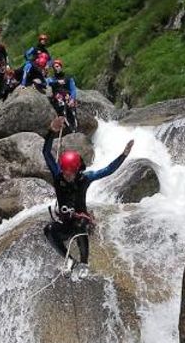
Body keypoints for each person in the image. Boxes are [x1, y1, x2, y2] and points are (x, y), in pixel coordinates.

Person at [42, 115, 133, 275]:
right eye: (64, 171)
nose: (66, 175)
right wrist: (51, 131)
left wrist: (123, 155)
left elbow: (108, 170)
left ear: (77, 170)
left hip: (81, 222)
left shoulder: (85, 178)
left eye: (70, 173)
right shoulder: (58, 174)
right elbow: (46, 153)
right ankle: (70, 260)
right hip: (65, 222)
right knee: (49, 230)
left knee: (79, 225)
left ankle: (84, 263)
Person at [47, 58, 79, 132]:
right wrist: (57, 82)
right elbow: (46, 82)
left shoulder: (68, 78)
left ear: (61, 67)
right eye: (54, 67)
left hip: (67, 97)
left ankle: (75, 127)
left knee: (71, 109)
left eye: (57, 66)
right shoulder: (52, 79)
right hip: (58, 98)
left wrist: (72, 99)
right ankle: (69, 128)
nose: (56, 69)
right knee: (62, 105)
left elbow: (73, 90)